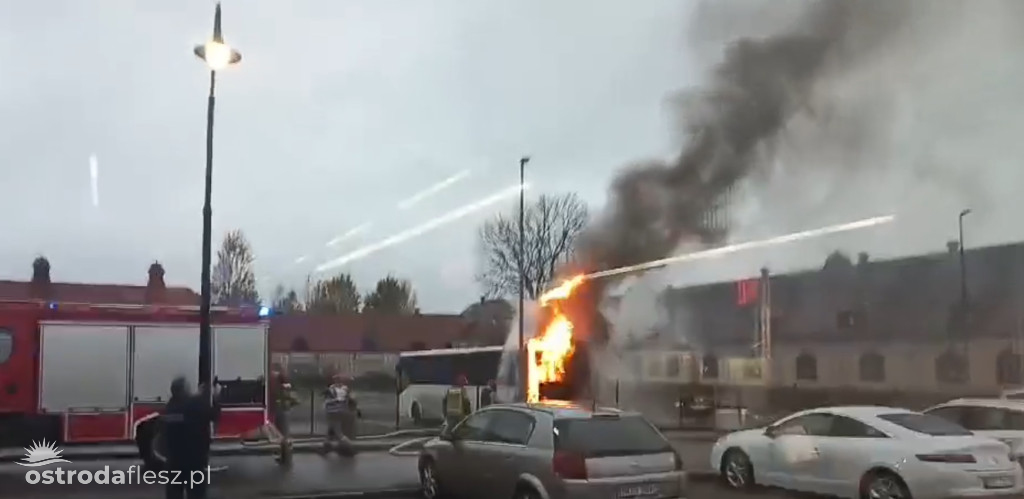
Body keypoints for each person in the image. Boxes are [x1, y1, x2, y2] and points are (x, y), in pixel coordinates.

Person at [161, 377, 220, 499]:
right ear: (184, 390)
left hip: (174, 461)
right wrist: (214, 396)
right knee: (196, 494)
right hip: (194, 461)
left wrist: (199, 395)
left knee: (174, 494)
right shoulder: (195, 405)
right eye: (188, 387)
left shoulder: (169, 408)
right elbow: (214, 415)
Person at [321, 373, 356, 456]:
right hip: (342, 411)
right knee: (331, 429)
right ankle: (326, 447)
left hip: (333, 411)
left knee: (338, 432)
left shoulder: (331, 389)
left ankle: (349, 447)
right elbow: (351, 399)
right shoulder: (345, 389)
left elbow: (327, 400)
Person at [269, 367, 298, 464]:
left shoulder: (274, 382)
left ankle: (285, 457)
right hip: (284, 408)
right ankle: (285, 456)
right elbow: (292, 398)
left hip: (278, 409)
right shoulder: (285, 386)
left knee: (282, 435)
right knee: (284, 434)